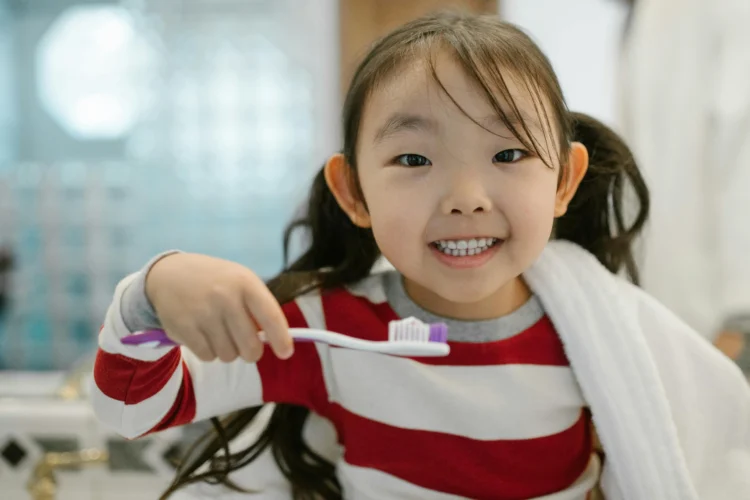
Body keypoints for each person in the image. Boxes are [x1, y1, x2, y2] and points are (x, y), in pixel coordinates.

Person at [90, 12, 750, 500]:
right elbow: (132, 411)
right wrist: (154, 290)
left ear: (563, 182)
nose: (465, 198)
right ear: (353, 192)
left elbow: (708, 455)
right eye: (413, 159)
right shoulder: (323, 334)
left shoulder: (607, 338)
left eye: (508, 154)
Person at [619, 0, 750, 359]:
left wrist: (740, 319)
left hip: (725, 329)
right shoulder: (649, 14)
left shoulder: (724, 12)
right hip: (672, 323)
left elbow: (743, 168)